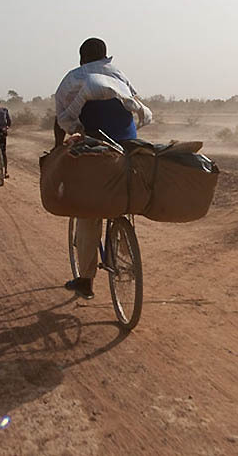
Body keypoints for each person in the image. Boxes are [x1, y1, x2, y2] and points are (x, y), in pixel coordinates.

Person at [54, 37, 153, 299]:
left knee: (87, 213)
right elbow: (134, 101)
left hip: (97, 146)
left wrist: (59, 144)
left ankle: (85, 280)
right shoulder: (119, 75)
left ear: (81, 57)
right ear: (106, 55)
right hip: (128, 144)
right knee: (123, 196)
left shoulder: (74, 77)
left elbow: (62, 114)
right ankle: (123, 246)